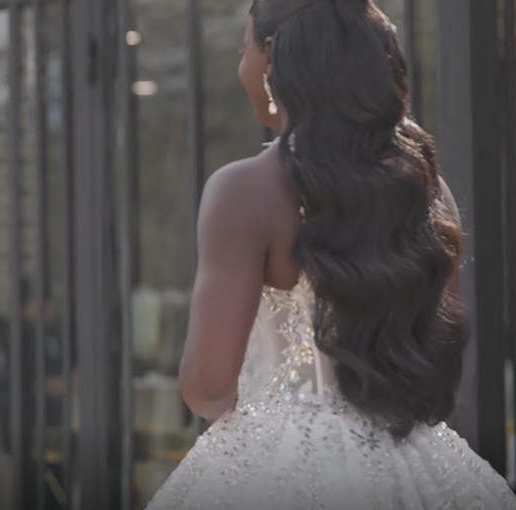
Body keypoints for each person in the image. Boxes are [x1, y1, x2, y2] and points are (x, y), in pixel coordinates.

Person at [144, 0, 516, 508]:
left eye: (242, 48)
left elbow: (207, 385)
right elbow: (439, 351)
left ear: (271, 55)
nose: (240, 65)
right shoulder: (427, 190)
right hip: (416, 462)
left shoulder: (244, 191)